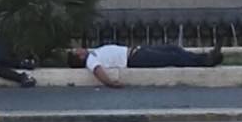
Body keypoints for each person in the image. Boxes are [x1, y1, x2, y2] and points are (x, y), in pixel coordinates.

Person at [67, 40, 223, 88]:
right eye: (77, 51)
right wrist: (111, 83)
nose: (79, 48)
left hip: (136, 51)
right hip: (135, 58)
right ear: (79, 58)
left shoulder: (93, 53)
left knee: (172, 49)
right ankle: (206, 62)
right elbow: (97, 71)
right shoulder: (90, 60)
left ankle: (206, 57)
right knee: (171, 57)